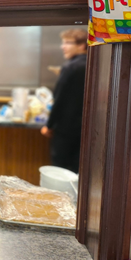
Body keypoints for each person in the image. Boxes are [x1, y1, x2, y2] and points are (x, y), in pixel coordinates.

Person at [41, 28, 88, 174]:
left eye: (68, 42)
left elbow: (59, 99)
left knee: (59, 171)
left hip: (65, 130)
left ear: (82, 45)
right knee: (77, 171)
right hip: (85, 130)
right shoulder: (93, 65)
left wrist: (49, 125)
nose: (63, 46)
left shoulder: (70, 67)